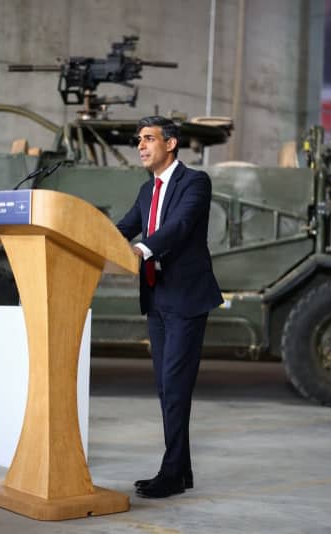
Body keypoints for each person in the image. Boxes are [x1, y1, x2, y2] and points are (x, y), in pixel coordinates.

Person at [116, 116, 222, 498]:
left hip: (187, 298)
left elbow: (178, 227)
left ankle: (172, 473)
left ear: (171, 143)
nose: (141, 146)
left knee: (175, 387)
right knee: (166, 387)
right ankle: (182, 470)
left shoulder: (195, 182)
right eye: (138, 139)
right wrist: (90, 238)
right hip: (157, 297)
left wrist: (142, 248)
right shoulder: (147, 191)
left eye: (148, 139)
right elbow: (123, 227)